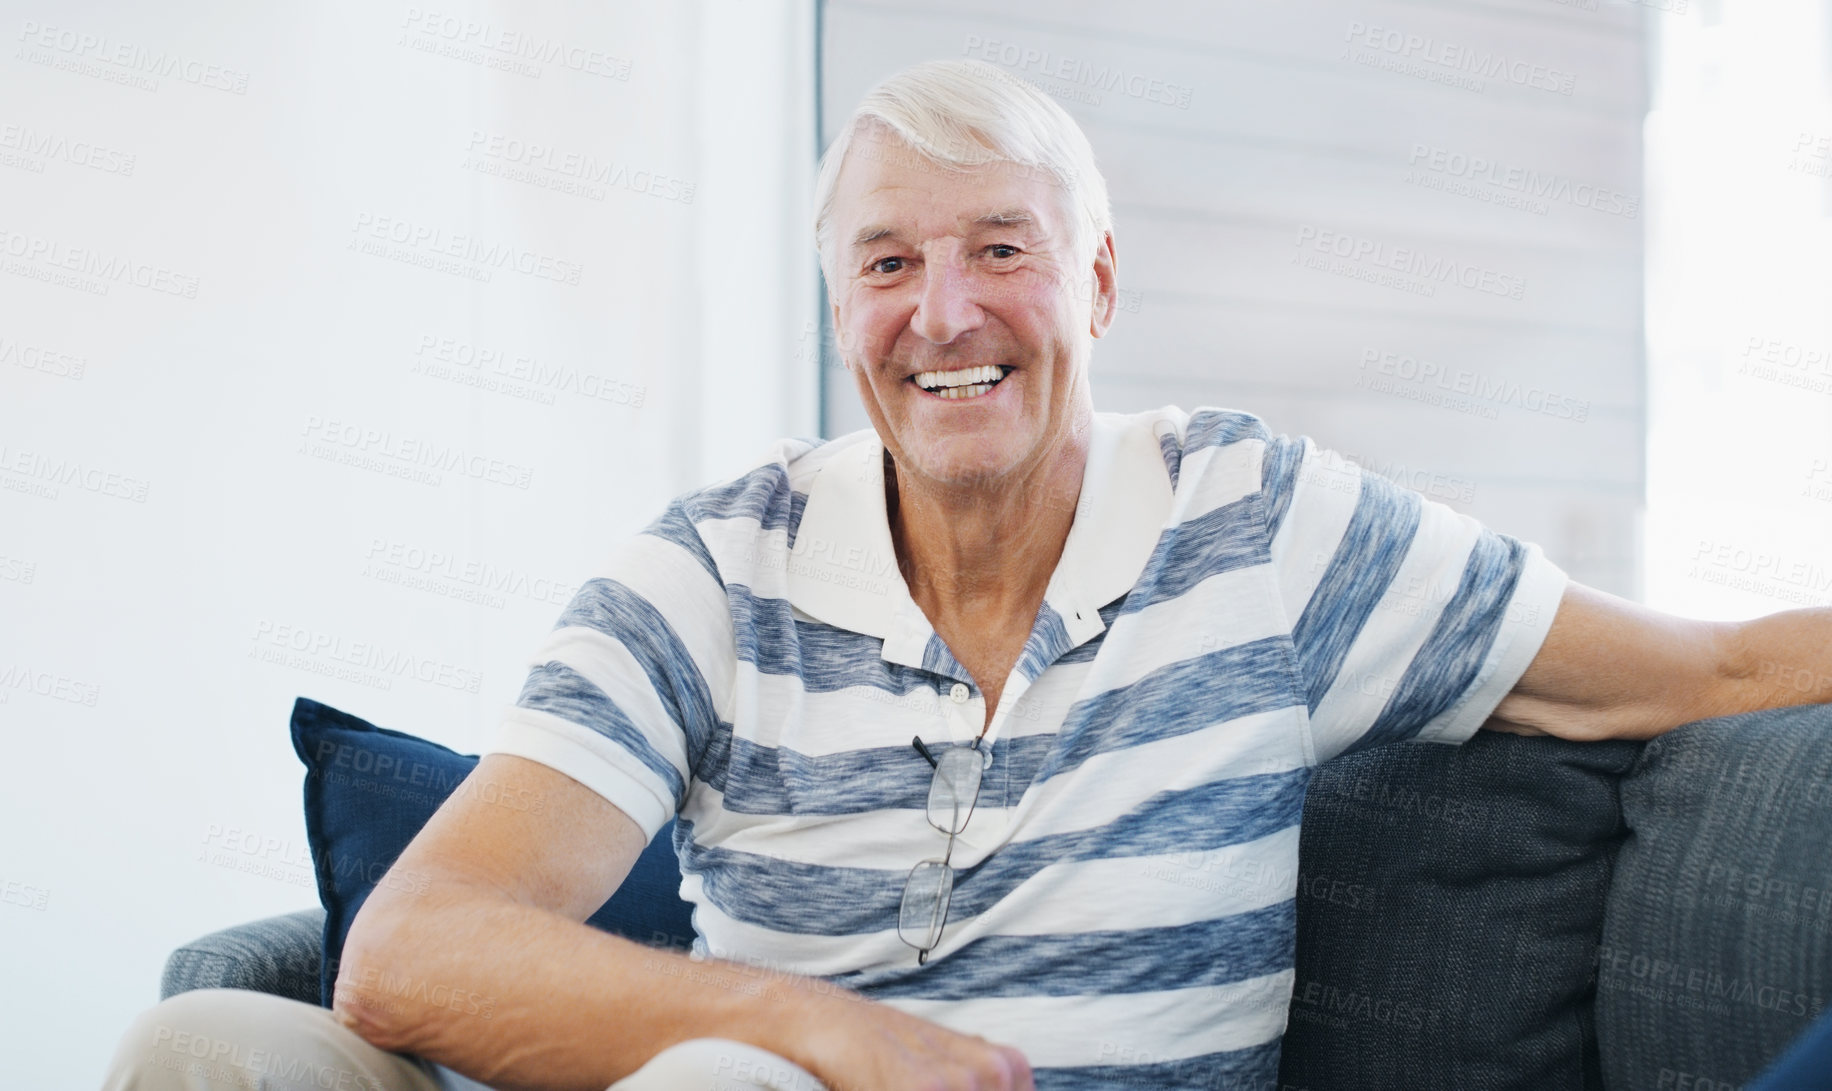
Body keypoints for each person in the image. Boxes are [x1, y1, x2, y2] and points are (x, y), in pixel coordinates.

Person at [104, 58, 1832, 1091]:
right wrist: (826, 1035)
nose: (945, 312)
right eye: (888, 262)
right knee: (207, 1050)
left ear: (1093, 284)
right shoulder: (717, 569)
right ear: (840, 309)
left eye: (1000, 248)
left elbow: (1714, 671)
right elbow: (407, 956)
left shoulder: (1263, 523)